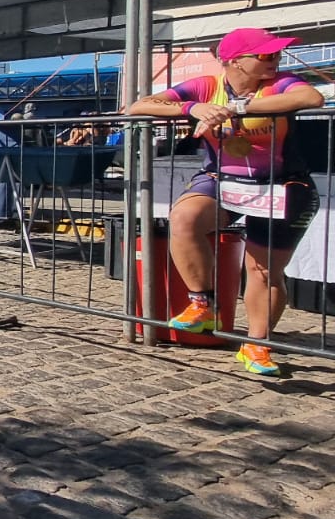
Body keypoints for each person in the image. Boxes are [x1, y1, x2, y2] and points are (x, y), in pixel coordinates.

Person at [126, 27, 323, 376]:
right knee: (184, 219)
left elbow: (310, 99)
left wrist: (234, 108)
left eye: (277, 54)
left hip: (283, 186)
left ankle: (257, 345)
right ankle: (204, 305)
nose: (275, 60)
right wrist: (194, 107)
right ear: (234, 61)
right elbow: (137, 106)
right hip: (224, 182)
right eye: (265, 55)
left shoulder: (280, 82)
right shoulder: (206, 85)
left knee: (262, 271)